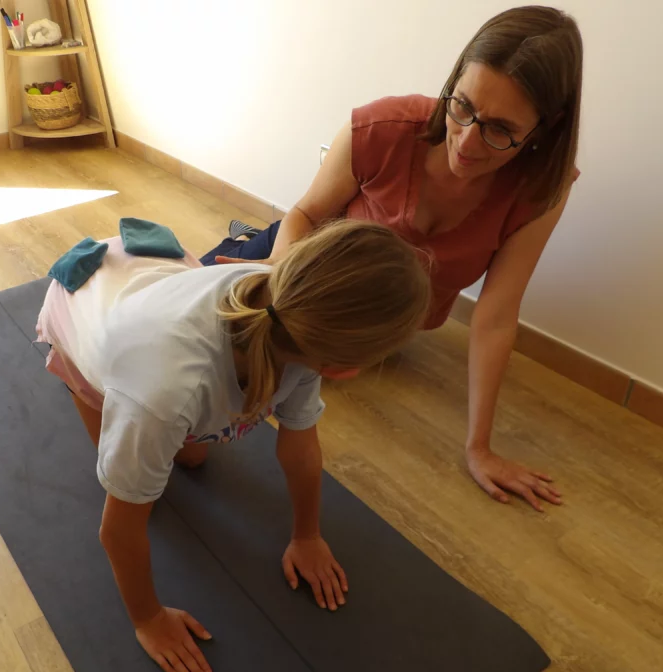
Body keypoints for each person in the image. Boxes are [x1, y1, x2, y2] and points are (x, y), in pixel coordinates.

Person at [202, 6, 582, 513]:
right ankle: (239, 251)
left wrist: (479, 448)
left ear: (545, 127)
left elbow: (495, 317)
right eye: (462, 107)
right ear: (452, 82)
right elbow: (306, 214)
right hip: (299, 274)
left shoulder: (541, 190)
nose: (466, 141)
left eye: (499, 129)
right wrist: (278, 293)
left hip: (370, 322)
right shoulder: (382, 126)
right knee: (192, 321)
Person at [36, 219, 431, 672]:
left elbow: (300, 443)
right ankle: (86, 394)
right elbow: (118, 532)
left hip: (150, 297)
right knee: (138, 479)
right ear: (347, 370)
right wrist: (148, 619)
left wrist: (307, 535)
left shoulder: (292, 319)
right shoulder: (163, 393)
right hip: (88, 308)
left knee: (193, 458)